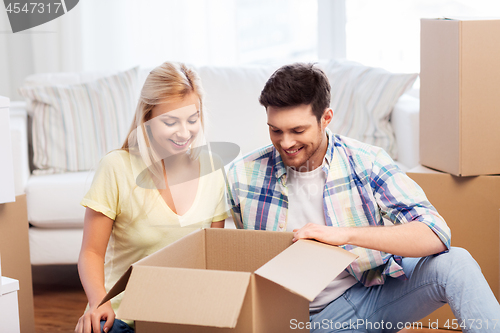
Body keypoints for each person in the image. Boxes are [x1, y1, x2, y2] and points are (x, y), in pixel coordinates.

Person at [226, 63, 500, 332]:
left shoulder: (366, 162)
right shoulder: (243, 175)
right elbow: (219, 252)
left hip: (370, 295)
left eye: (298, 131)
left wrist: (345, 235)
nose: (286, 143)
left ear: (326, 119)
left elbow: (436, 234)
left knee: (456, 263)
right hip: (296, 320)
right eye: (276, 130)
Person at [75, 62, 228, 333]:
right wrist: (98, 302)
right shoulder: (117, 167)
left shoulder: (213, 170)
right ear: (147, 117)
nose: (184, 133)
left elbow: (213, 258)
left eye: (193, 119)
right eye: (170, 122)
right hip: (122, 315)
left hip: (185, 316)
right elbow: (91, 252)